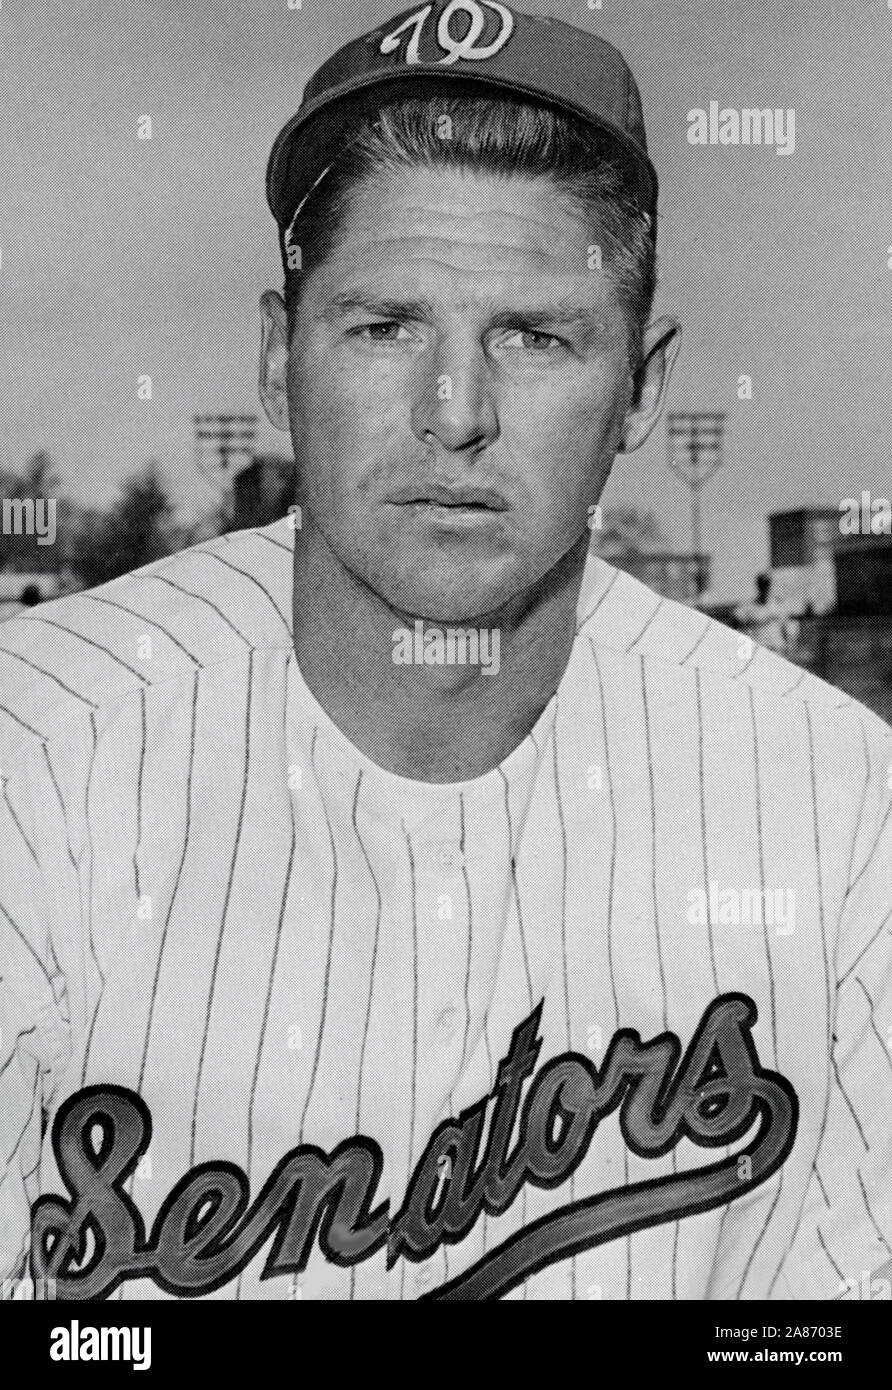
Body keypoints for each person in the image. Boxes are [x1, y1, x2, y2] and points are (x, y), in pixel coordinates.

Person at [1, 1, 890, 1302]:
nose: (454, 415)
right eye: (384, 326)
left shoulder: (841, 801)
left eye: (535, 336)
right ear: (276, 357)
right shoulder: (32, 760)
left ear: (642, 385)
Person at [736, 572, 798, 657]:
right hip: (758, 651)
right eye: (762, 584)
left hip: (776, 651)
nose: (764, 588)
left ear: (770, 585)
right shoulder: (748, 607)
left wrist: (789, 647)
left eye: (767, 584)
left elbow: (787, 628)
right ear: (758, 586)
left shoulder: (778, 606)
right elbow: (737, 622)